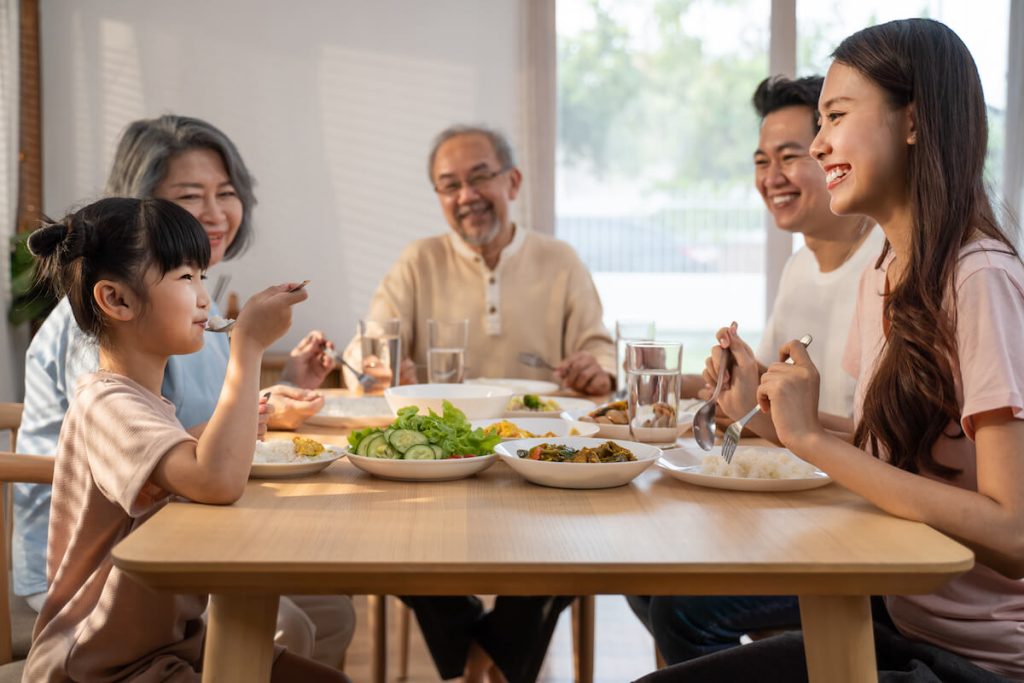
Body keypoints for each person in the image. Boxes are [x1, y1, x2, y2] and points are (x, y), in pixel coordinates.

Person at [639, 18, 1024, 682]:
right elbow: (887, 450)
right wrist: (771, 416)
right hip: (902, 621)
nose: (817, 146)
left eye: (835, 117)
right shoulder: (891, 272)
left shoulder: (980, 275)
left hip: (978, 660)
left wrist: (815, 442)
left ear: (913, 120)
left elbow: (1013, 533)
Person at [14, 115, 353, 667]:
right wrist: (246, 349)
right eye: (191, 195)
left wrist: (280, 387)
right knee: (290, 623)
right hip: (105, 628)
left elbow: (178, 437)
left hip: (170, 571)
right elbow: (197, 468)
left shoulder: (179, 317)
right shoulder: (101, 355)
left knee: (320, 621)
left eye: (226, 193)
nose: (217, 212)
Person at [628, 75, 883, 665]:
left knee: (683, 607)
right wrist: (736, 383)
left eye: (791, 155)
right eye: (762, 160)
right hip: (795, 505)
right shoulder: (798, 267)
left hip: (852, 518)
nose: (772, 176)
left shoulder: (884, 264)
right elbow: (765, 405)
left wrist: (759, 405)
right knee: (644, 568)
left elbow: (870, 432)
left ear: (833, 152)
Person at [350, 124, 615, 395]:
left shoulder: (560, 259)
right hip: (446, 431)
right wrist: (378, 368)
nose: (466, 196)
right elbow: (371, 342)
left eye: (479, 178)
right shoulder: (418, 261)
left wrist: (598, 370)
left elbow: (599, 349)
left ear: (513, 183)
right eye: (451, 185)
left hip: (542, 431)